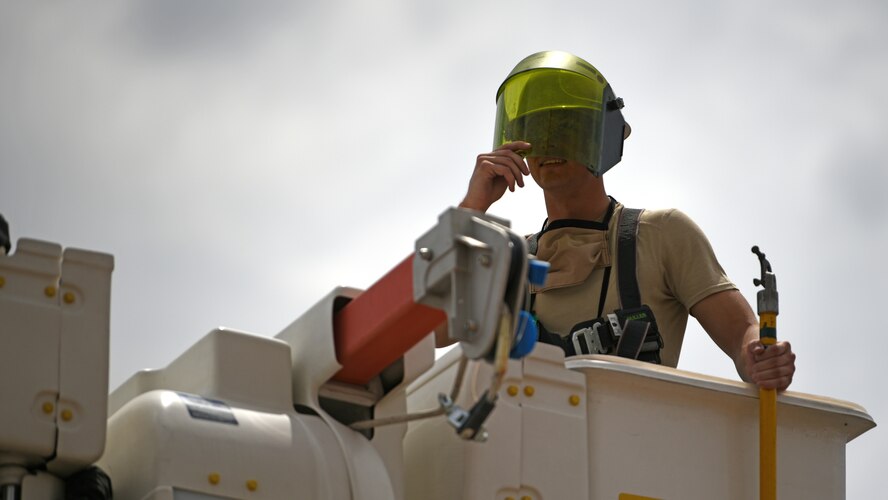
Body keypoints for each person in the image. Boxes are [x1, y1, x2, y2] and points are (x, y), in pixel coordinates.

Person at [450, 51, 795, 391]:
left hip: (630, 441)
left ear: (600, 138)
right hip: (528, 442)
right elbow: (429, 331)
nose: (549, 143)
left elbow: (741, 334)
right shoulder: (508, 262)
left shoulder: (661, 235)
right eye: (538, 129)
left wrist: (757, 355)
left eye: (567, 127)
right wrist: (471, 211)